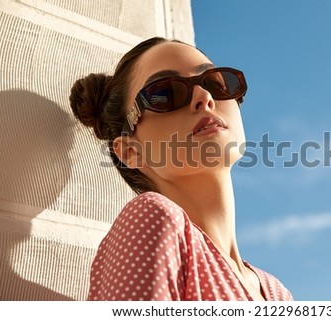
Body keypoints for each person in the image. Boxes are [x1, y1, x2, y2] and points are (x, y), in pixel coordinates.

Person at [69, 37, 293, 301]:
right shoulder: (153, 217)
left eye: (215, 83)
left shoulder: (278, 294)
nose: (204, 97)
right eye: (166, 93)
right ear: (131, 151)